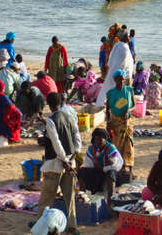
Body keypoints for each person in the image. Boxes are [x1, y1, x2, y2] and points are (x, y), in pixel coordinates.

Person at [37, 92, 81, 235]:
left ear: (48, 105)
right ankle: (72, 225)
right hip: (70, 162)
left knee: (47, 198)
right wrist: (70, 160)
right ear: (61, 102)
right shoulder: (70, 117)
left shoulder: (51, 120)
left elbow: (56, 144)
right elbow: (77, 141)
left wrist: (64, 161)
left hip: (56, 165)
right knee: (69, 197)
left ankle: (41, 226)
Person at [77, 128, 123, 204]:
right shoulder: (91, 148)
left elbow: (116, 166)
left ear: (105, 140)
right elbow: (89, 165)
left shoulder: (111, 148)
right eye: (96, 140)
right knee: (82, 171)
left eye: (100, 140)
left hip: (111, 173)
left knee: (111, 173)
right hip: (97, 172)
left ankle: (110, 199)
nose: (98, 142)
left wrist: (103, 168)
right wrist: (98, 167)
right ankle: (82, 195)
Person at [105, 69, 135, 174]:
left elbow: (134, 106)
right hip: (115, 121)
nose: (121, 82)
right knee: (116, 144)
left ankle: (130, 168)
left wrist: (128, 110)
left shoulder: (129, 90)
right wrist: (108, 122)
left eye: (123, 80)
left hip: (127, 122)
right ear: (115, 80)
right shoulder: (110, 93)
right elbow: (107, 109)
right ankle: (118, 167)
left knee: (128, 145)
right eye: (119, 80)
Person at [96, 32, 134, 107]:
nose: (129, 37)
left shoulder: (118, 45)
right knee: (121, 90)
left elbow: (111, 59)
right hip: (122, 73)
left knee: (109, 87)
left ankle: (104, 104)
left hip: (114, 70)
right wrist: (123, 74)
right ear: (124, 38)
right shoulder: (124, 48)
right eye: (127, 36)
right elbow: (124, 63)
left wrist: (112, 68)